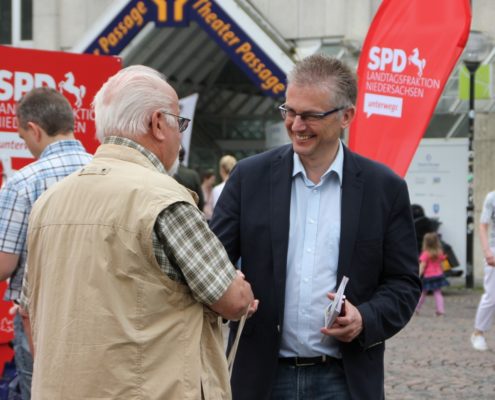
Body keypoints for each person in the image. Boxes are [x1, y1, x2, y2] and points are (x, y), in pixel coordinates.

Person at [19, 65, 256, 400]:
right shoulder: (163, 199)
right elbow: (233, 300)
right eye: (180, 123)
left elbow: (29, 310)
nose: (179, 136)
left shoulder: (49, 202)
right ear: (158, 123)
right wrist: (242, 288)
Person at [210, 54, 421, 400]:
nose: (295, 125)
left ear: (346, 116)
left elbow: (404, 284)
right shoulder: (249, 178)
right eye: (289, 111)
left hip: (345, 378)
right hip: (262, 375)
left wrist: (364, 318)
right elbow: (213, 260)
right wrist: (229, 289)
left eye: (310, 115)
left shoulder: (384, 188)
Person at [0, 87, 92, 400]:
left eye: (23, 138)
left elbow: (4, 264)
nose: (25, 145)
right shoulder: (106, 171)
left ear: (35, 130)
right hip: (100, 316)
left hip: (40, 322)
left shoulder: (23, 183)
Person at [471, 191, 495, 351]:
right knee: (492, 296)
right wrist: (487, 252)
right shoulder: (492, 197)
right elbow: (482, 225)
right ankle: (478, 333)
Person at [415, 232, 449, 316]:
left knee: (422, 293)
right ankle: (440, 310)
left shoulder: (425, 254)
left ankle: (416, 308)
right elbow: (443, 263)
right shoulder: (439, 252)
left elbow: (422, 266)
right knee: (438, 293)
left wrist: (418, 275)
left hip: (428, 277)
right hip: (438, 275)